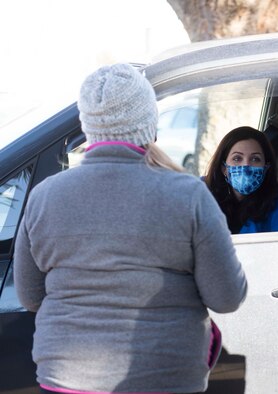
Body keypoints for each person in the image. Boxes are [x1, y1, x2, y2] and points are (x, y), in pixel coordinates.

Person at [13, 63, 247, 394]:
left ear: (87, 126)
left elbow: (30, 296)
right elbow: (226, 297)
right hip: (167, 378)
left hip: (66, 380)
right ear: (149, 125)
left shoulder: (44, 197)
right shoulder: (188, 194)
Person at [204, 126, 278, 234]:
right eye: (237, 158)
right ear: (224, 168)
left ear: (265, 168)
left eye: (255, 159)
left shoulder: (275, 200)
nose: (246, 166)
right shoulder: (200, 193)